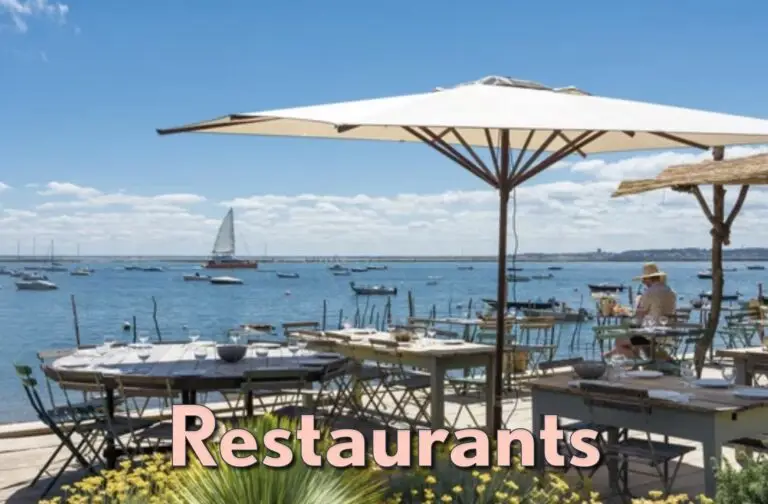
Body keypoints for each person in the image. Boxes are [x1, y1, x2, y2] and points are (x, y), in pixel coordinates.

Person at [605, 262, 676, 359]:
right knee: (632, 337)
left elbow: (638, 317)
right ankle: (618, 355)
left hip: (652, 337)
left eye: (643, 279)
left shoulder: (650, 292)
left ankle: (637, 364)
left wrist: (633, 307)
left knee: (620, 340)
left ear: (648, 279)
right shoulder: (670, 291)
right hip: (668, 335)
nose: (642, 282)